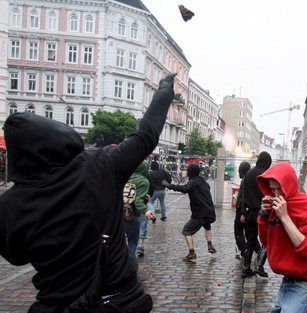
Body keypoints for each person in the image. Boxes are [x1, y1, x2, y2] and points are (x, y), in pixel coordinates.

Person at [0, 75, 175, 312]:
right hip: (119, 300)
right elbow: (145, 136)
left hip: (58, 303)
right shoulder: (99, 165)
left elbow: (17, 256)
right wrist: (164, 92)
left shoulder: (9, 205)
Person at [257, 162, 307, 312]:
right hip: (288, 279)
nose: (276, 195)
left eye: (279, 189)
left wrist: (285, 217)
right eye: (272, 189)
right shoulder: (277, 205)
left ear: (288, 185)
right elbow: (266, 242)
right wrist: (263, 216)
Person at [166, 163, 217, 261]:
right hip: (210, 211)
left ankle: (191, 253)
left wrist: (170, 185)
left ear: (190, 172)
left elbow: (184, 189)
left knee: (186, 231)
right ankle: (210, 245)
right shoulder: (203, 181)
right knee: (207, 226)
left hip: (200, 213)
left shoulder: (193, 182)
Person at [240, 151, 272, 278]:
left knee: (251, 240)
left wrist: (243, 212)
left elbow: (243, 194)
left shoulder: (248, 174)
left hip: (249, 212)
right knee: (266, 240)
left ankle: (246, 267)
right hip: (263, 212)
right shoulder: (266, 175)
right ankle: (260, 266)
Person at [125, 160, 154, 257]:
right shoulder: (143, 181)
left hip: (116, 213)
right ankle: (129, 264)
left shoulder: (125, 176)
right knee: (133, 242)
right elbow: (137, 201)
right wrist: (146, 210)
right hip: (131, 215)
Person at [235, 161, 251, 259]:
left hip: (242, 210)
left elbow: (245, 197)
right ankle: (257, 250)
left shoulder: (245, 181)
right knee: (249, 232)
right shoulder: (249, 179)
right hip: (247, 210)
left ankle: (243, 251)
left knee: (239, 231)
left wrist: (243, 213)